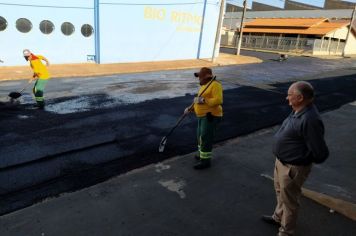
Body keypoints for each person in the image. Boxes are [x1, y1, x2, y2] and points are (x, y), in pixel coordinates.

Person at [262, 81, 329, 236]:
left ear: (299, 98)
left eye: (290, 95)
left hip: (292, 168)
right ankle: (278, 217)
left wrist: (300, 160)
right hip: (281, 163)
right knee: (280, 193)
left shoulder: (310, 119)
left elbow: (320, 152)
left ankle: (286, 231)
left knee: (289, 201)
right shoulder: (297, 110)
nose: (287, 98)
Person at [184, 67, 223, 170]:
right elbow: (198, 101)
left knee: (206, 138)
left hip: (211, 116)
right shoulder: (204, 86)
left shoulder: (215, 85)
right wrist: (190, 108)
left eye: (200, 76)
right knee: (200, 136)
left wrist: (204, 100)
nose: (199, 79)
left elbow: (218, 100)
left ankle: (205, 161)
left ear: (206, 77)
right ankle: (201, 155)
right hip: (201, 116)